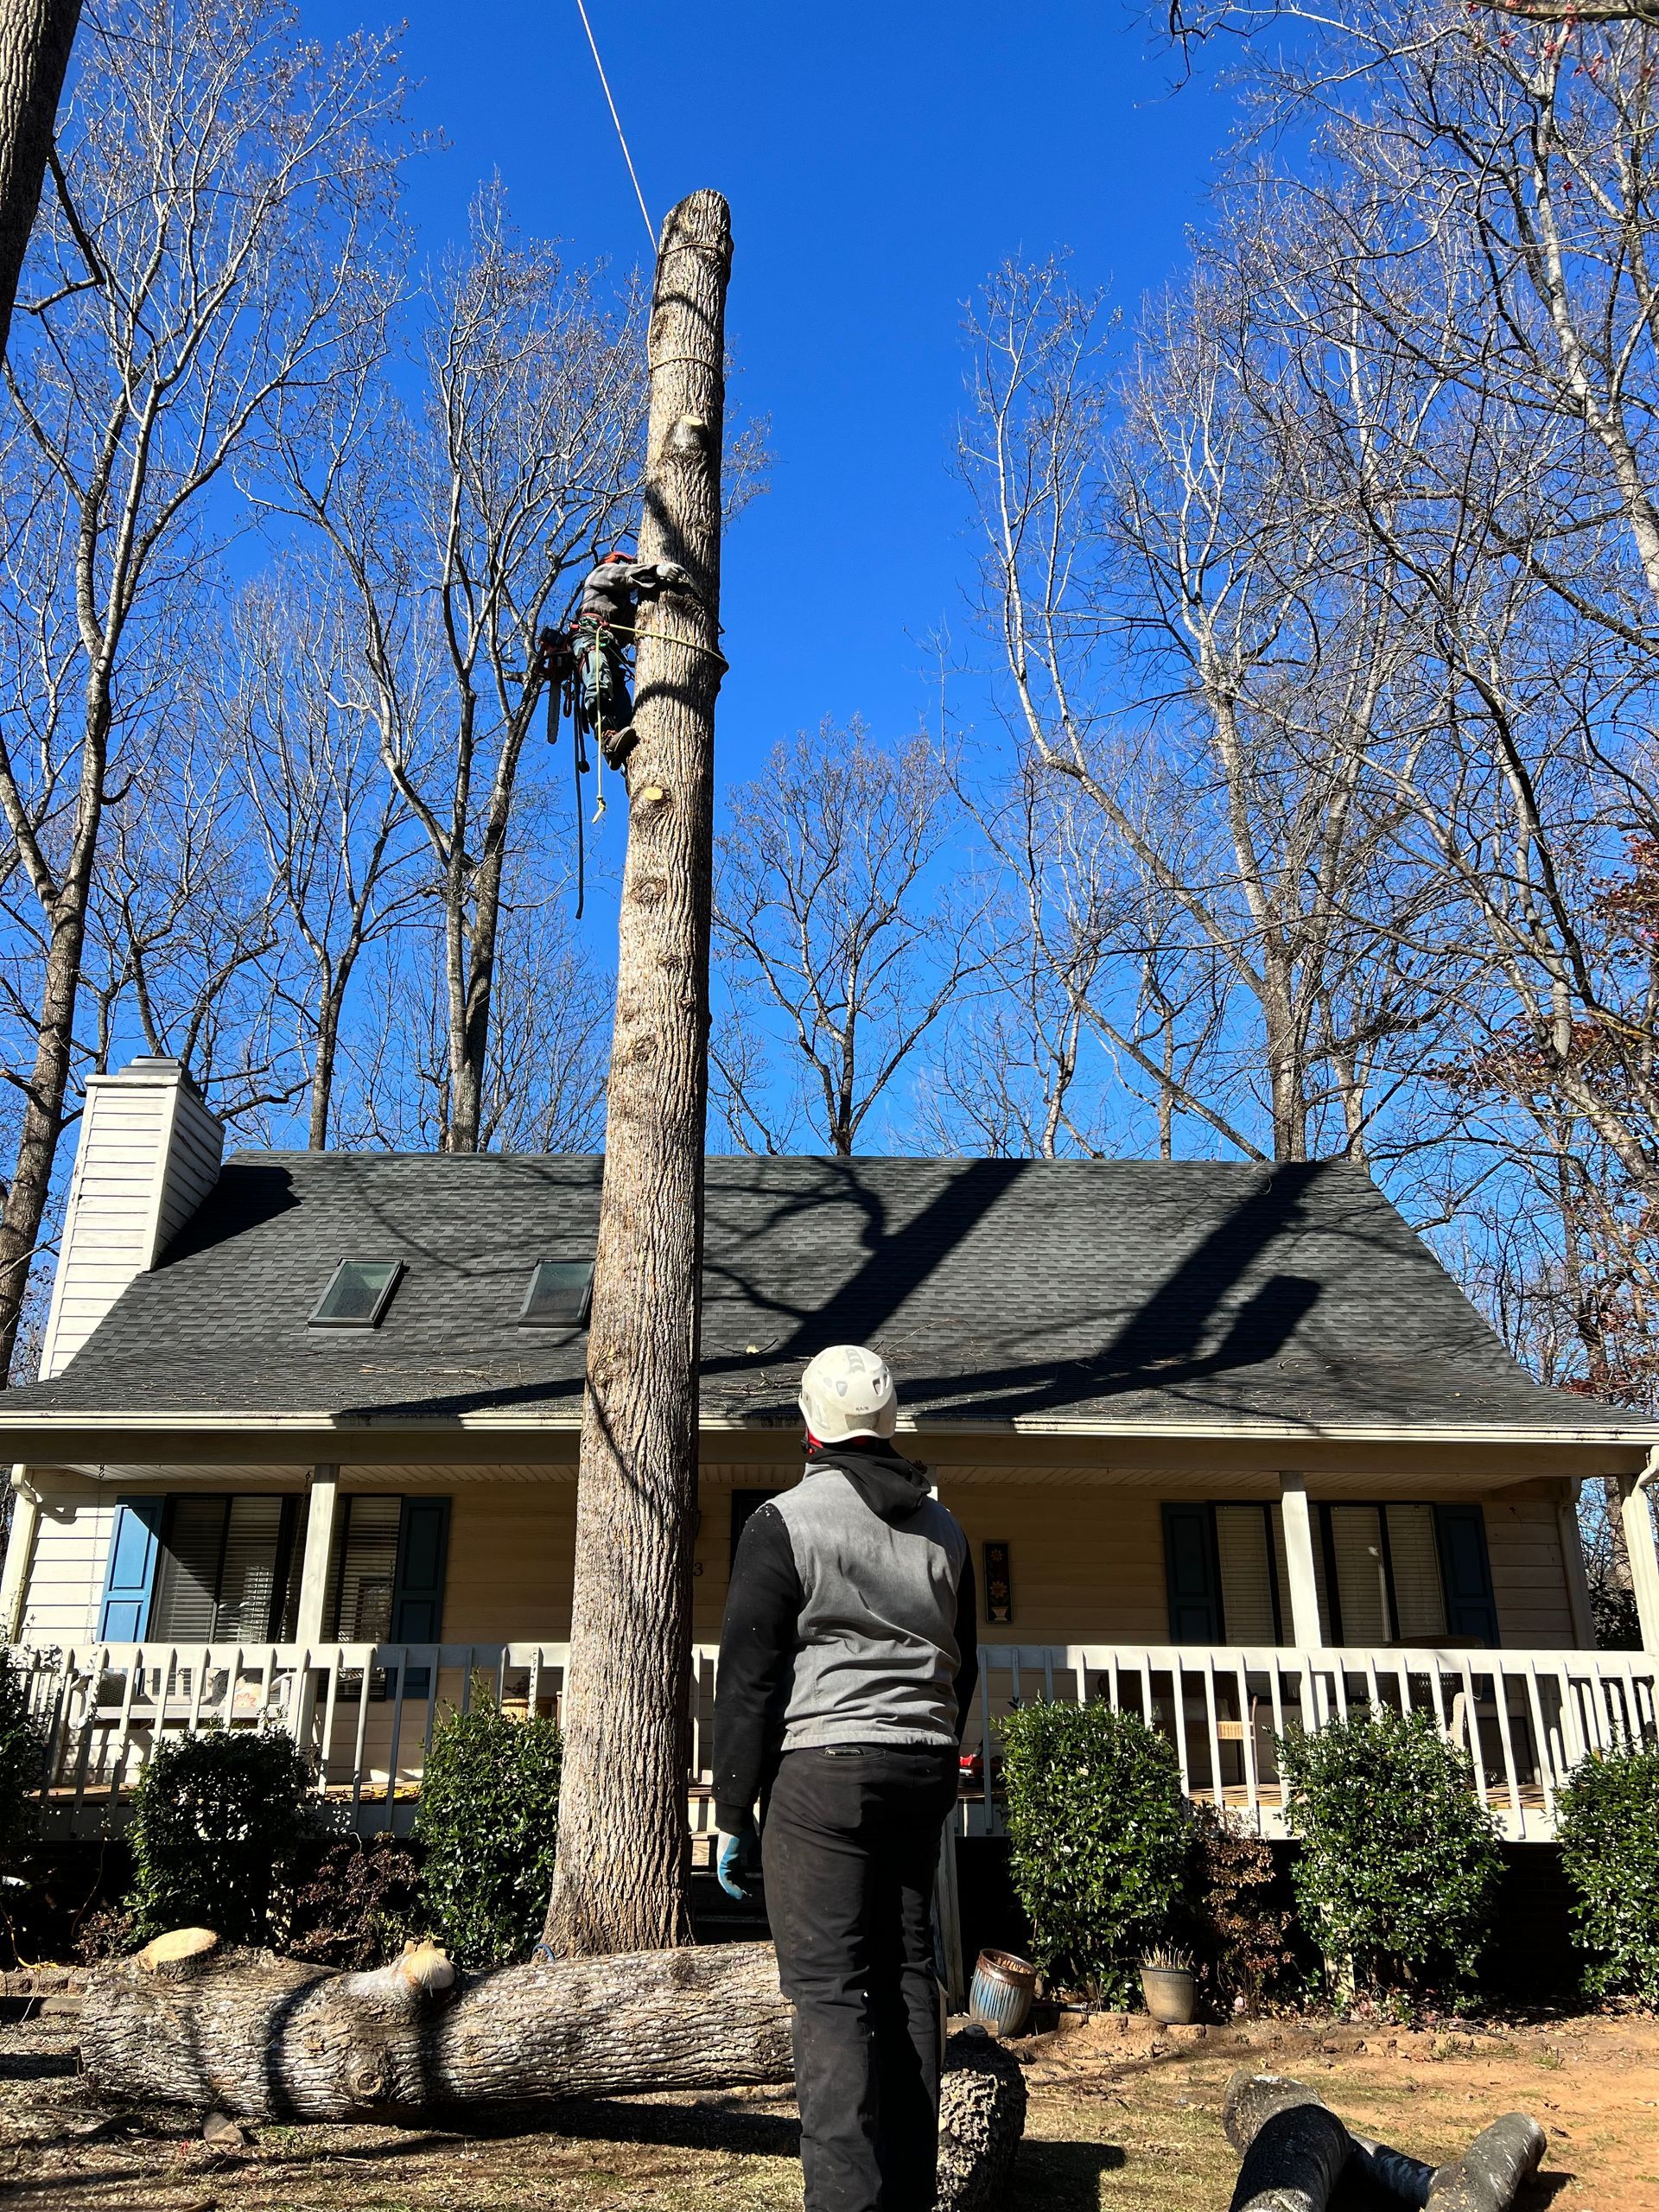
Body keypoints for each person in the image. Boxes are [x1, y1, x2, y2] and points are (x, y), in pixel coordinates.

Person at [712, 1344, 979, 2212]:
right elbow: (964, 1663)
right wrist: (936, 1741)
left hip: (823, 1773)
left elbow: (748, 1679)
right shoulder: (947, 1531)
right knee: (907, 1972)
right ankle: (906, 2196)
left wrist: (732, 1809)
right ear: (891, 1421)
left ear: (808, 1423)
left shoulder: (784, 1521)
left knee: (831, 1994)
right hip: (923, 1764)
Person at [569, 546, 689, 767]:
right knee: (599, 681)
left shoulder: (624, 610)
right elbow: (624, 576)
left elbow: (642, 627)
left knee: (625, 710)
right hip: (590, 640)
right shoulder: (601, 575)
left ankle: (626, 757)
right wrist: (656, 571)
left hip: (610, 652)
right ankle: (606, 736)